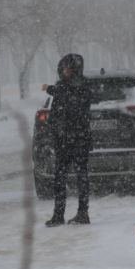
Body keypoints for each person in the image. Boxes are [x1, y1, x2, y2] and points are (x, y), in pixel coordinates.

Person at [41, 53, 92, 227]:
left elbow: (72, 102)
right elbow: (59, 109)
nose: (65, 72)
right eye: (63, 69)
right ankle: (58, 214)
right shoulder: (63, 86)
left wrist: (52, 89)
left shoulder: (80, 86)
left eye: (68, 69)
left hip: (78, 139)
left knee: (80, 177)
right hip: (63, 140)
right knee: (59, 178)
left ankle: (82, 213)